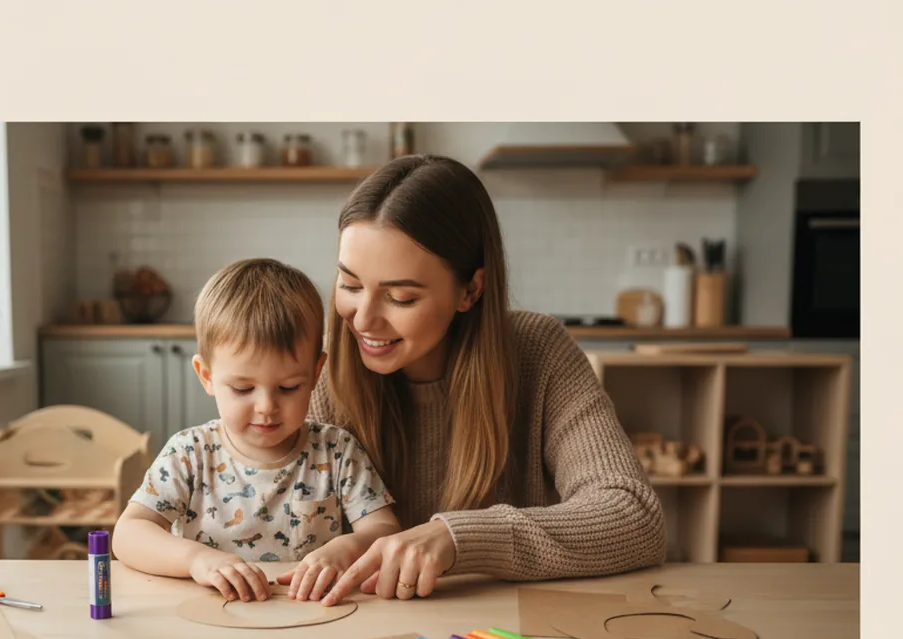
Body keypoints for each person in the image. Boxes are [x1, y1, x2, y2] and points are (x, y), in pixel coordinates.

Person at [303, 154, 666, 607]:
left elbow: (634, 516)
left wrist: (458, 539)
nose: (364, 320)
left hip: (508, 629)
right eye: (350, 285)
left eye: (400, 297)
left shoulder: (539, 352)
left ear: (471, 290)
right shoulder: (316, 366)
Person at [113, 258, 402, 604]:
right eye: (242, 389)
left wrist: (344, 550)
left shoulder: (337, 451)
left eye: (289, 387)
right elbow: (128, 534)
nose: (266, 407)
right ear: (206, 376)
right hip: (210, 617)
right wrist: (196, 560)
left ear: (315, 373)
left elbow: (384, 530)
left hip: (308, 619)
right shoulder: (188, 453)